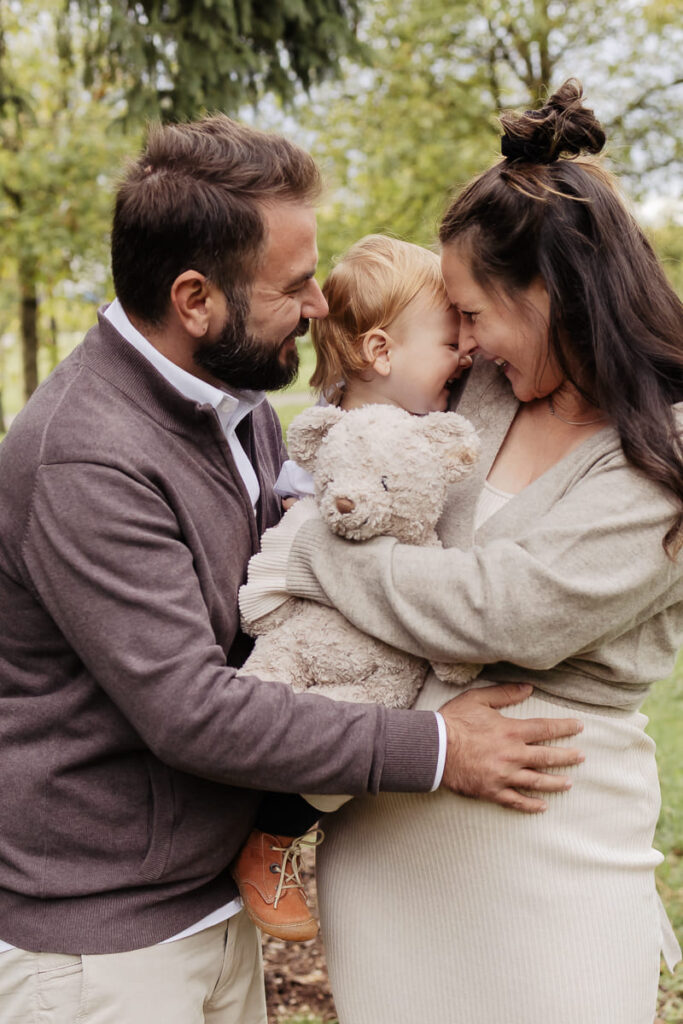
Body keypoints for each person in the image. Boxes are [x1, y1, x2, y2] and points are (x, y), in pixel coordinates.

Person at [0, 115, 584, 1024]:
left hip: (206, 906)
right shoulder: (85, 455)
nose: (320, 311)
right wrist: (437, 749)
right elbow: (189, 711)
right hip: (101, 947)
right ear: (195, 300)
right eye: (295, 287)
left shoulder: (241, 411)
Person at [260, 81, 683, 1023]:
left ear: (550, 294)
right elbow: (353, 462)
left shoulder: (665, 452)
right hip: (387, 847)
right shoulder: (483, 391)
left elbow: (509, 609)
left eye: (473, 313)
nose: (462, 341)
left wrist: (315, 560)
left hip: (546, 853)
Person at [232, 234, 475, 942]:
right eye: (448, 344)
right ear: (379, 353)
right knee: (319, 726)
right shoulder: (351, 440)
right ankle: (270, 841)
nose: (463, 358)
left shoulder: (406, 422)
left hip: (366, 637)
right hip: (321, 632)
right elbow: (304, 536)